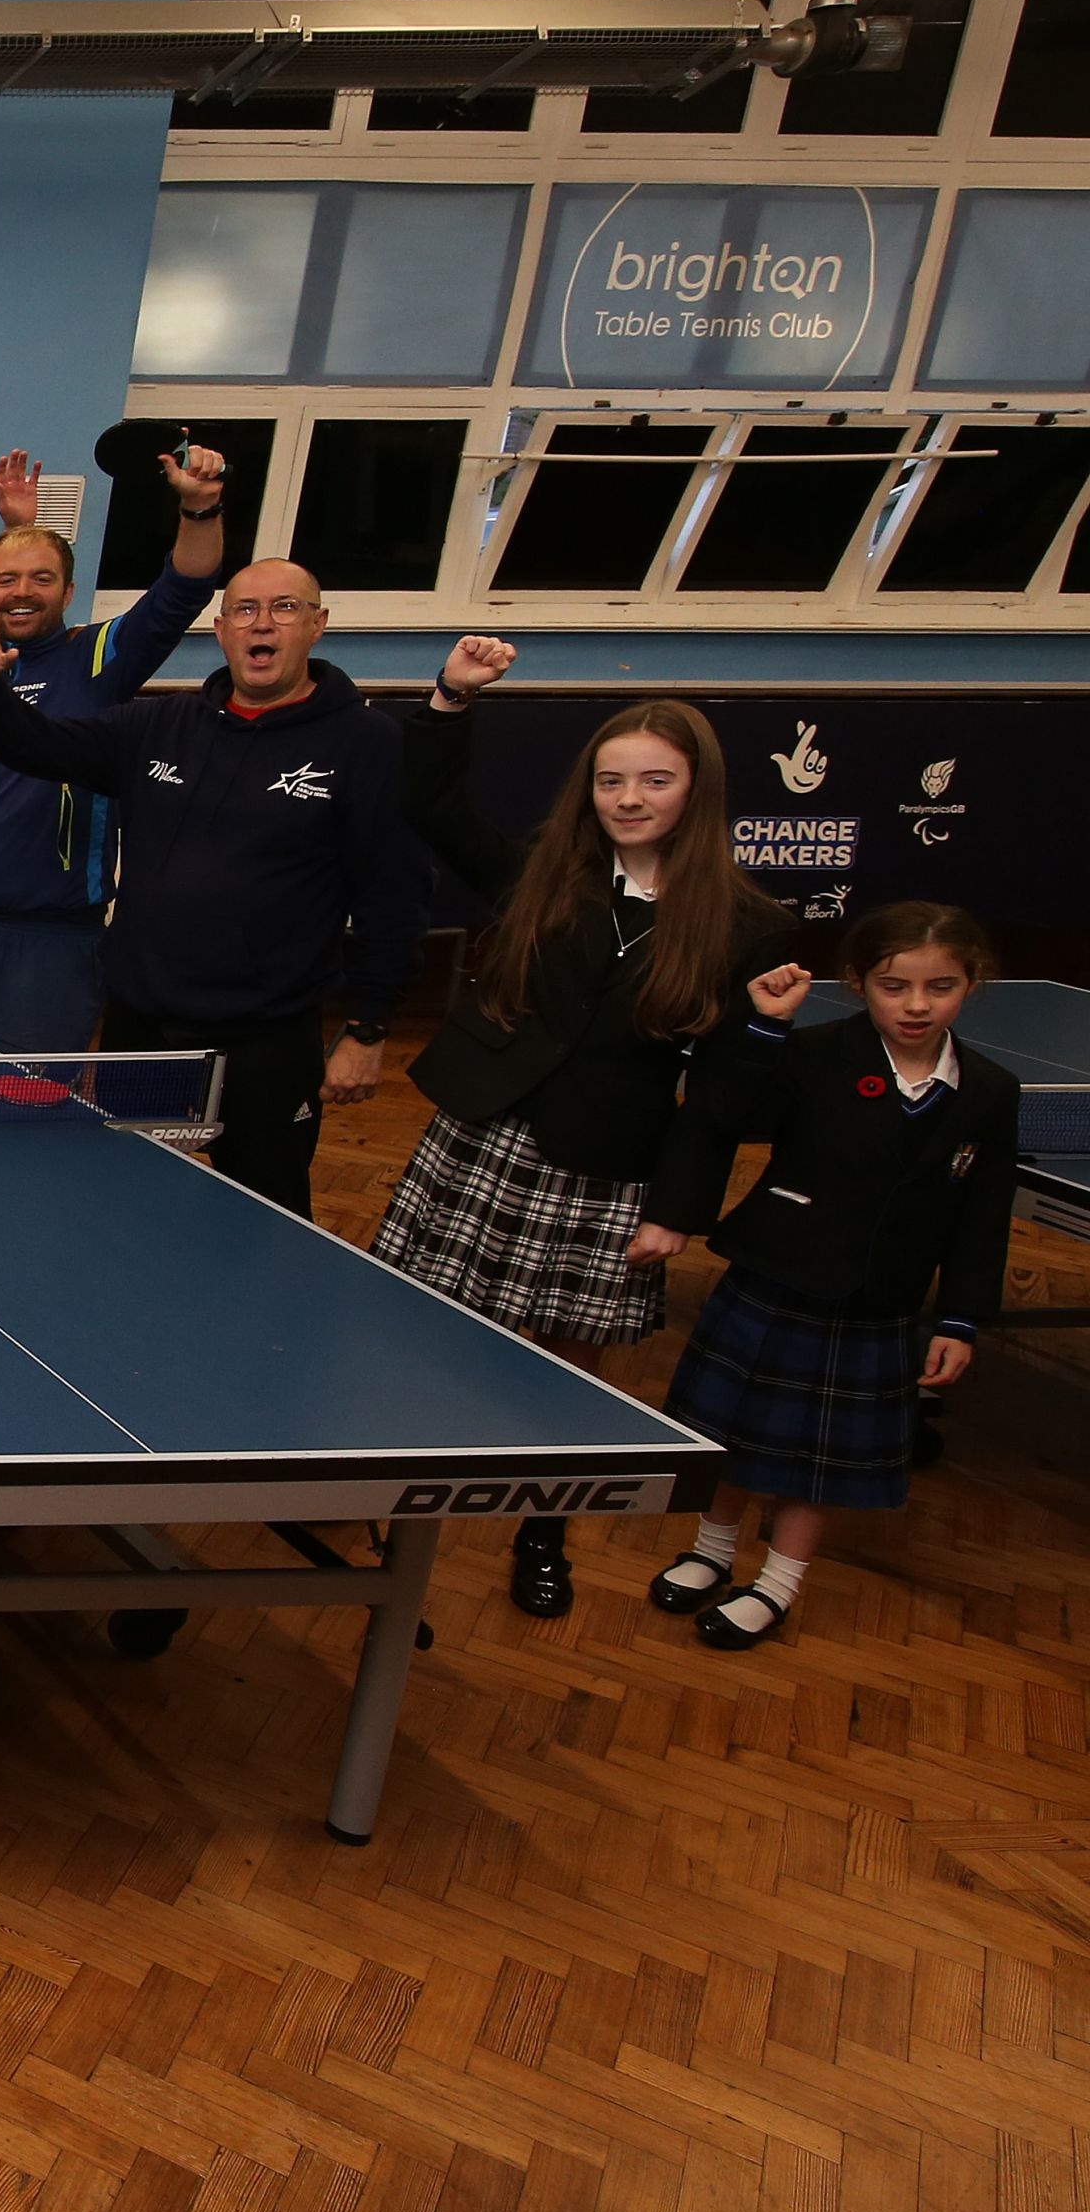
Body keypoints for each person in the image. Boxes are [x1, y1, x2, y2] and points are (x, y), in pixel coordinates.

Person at [376, 636, 791, 1618]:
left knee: (571, 1361)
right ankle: (395, 1509)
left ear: (695, 791)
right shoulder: (541, 871)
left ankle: (542, 1530)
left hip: (606, 1162)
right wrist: (449, 700)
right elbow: (428, 804)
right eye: (612, 779)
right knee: (425, 1332)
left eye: (653, 779)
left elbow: (723, 1090)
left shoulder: (746, 926)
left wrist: (676, 1211)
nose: (629, 797)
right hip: (485, 1134)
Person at [0, 562, 421, 1214]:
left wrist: (368, 1029)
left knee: (265, 1215)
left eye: (284, 608)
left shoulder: (366, 742)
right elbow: (37, 746)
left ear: (317, 624)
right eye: (245, 610)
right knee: (127, 1202)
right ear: (222, 630)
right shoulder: (158, 727)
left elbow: (390, 892)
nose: (263, 624)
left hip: (267, 1036)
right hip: (143, 1025)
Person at [656, 906, 1016, 1649]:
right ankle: (711, 1551)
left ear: (972, 985)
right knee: (734, 1436)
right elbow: (732, 1112)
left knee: (819, 1462)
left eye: (940, 987)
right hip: (779, 1277)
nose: (916, 1005)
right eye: (894, 986)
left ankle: (779, 1582)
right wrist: (766, 1026)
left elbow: (983, 1211)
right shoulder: (812, 1051)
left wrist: (960, 1317)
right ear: (858, 984)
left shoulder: (988, 1089)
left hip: (879, 1304)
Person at [0, 445, 230, 1050]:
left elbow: (184, 589)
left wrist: (200, 508)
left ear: (69, 590)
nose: (23, 591)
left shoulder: (98, 654)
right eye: (6, 579)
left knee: (25, 1116)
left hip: (51, 939)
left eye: (42, 578)